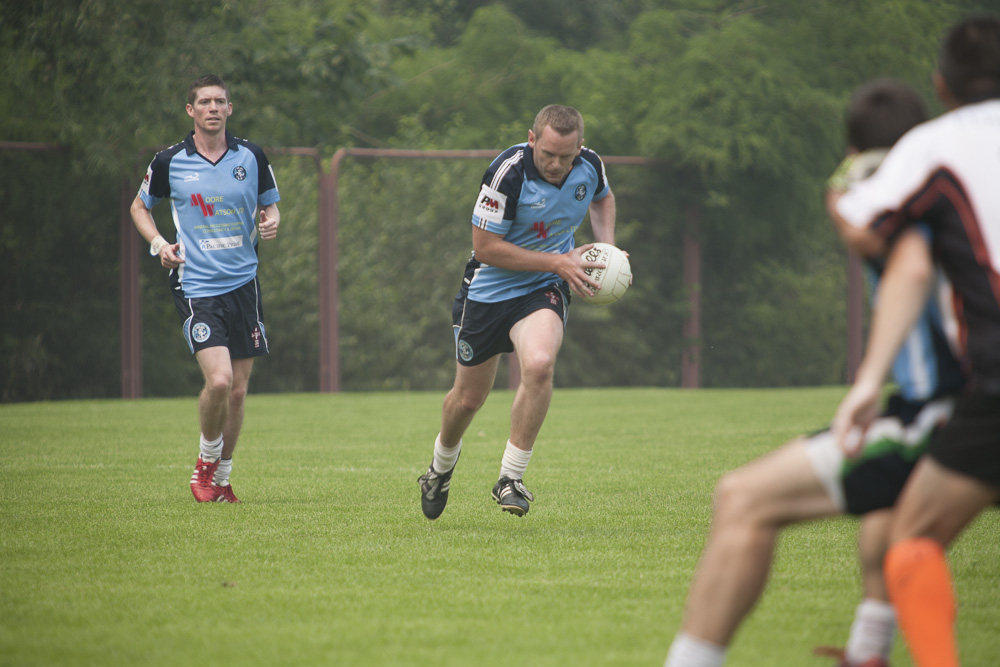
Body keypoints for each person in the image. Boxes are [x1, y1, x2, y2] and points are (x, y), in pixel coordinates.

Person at [664, 78, 964, 667]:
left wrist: (839, 194)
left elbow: (900, 260)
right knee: (888, 506)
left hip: (951, 408)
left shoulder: (896, 203)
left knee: (742, 497)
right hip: (947, 405)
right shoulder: (963, 189)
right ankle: (869, 650)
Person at [829, 14, 1000, 667]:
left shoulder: (936, 147)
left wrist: (841, 190)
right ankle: (867, 649)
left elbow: (866, 225)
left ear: (943, 85)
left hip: (978, 388)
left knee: (910, 539)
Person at [418, 104, 617, 519]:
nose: (557, 164)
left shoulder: (590, 165)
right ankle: (440, 468)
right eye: (548, 154)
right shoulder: (506, 173)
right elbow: (485, 248)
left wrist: (607, 249)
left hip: (543, 287)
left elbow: (602, 198)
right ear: (532, 139)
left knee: (540, 364)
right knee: (468, 400)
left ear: (580, 147)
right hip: (488, 293)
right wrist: (558, 261)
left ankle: (511, 477)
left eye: (566, 156)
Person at [130, 74, 281, 503]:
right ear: (190, 110)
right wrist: (159, 244)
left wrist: (271, 221)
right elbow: (139, 207)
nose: (213, 108)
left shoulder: (251, 156)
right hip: (197, 286)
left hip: (244, 285)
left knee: (238, 390)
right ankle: (205, 463)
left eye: (220, 101)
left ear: (230, 108)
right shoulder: (169, 161)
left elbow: (270, 205)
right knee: (219, 382)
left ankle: (222, 480)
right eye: (204, 102)